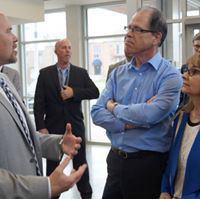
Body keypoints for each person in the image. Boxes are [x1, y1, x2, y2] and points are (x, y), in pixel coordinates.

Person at [91, 6, 183, 199]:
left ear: (156, 37)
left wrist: (113, 107)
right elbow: (97, 112)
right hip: (115, 161)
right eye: (128, 28)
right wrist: (131, 121)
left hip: (148, 166)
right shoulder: (118, 73)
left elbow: (151, 114)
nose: (128, 35)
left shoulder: (170, 76)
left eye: (137, 30)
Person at [0, 12, 87, 199]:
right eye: (8, 31)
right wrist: (45, 187)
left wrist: (57, 142)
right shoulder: (44, 74)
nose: (15, 38)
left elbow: (21, 136)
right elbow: (39, 103)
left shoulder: (5, 80)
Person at [34, 38, 99, 199]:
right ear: (56, 51)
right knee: (52, 166)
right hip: (52, 128)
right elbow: (38, 103)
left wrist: (74, 93)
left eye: (69, 47)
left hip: (75, 127)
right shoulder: (45, 74)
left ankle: (86, 195)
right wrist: (41, 127)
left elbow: (94, 92)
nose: (68, 50)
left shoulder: (80, 73)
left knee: (80, 164)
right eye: (63, 48)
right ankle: (51, 195)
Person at [159, 54, 200, 199]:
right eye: (186, 70)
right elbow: (171, 163)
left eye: (194, 72)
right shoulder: (181, 116)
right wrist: (165, 191)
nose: (184, 76)